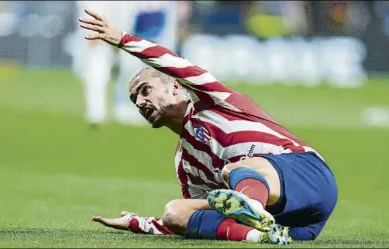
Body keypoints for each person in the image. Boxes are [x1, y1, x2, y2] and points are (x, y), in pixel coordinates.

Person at [79, 9, 338, 245]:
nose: (140, 102)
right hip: (296, 224)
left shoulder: (216, 101)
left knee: (234, 171)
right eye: (135, 99)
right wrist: (138, 223)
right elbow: (193, 220)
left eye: (145, 91)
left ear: (175, 87)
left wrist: (122, 39)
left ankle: (252, 209)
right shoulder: (185, 163)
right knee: (175, 211)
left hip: (310, 177)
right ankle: (261, 235)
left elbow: (171, 62)